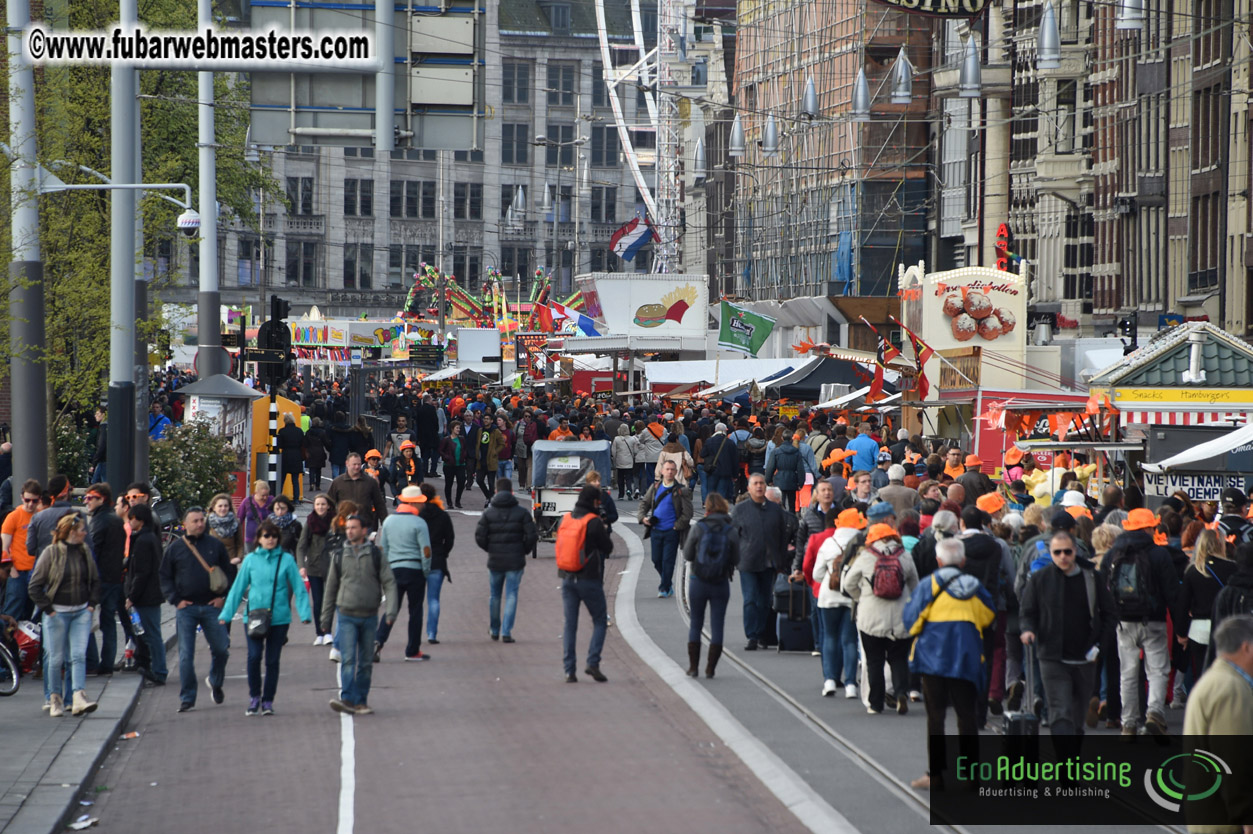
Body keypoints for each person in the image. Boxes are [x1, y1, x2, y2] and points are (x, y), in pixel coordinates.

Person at [903, 537, 996, 790]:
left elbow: (911, 621)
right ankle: (970, 776)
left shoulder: (928, 585)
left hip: (934, 659)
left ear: (938, 560)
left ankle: (935, 775)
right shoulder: (975, 586)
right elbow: (988, 617)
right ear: (963, 561)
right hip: (966, 659)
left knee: (935, 717)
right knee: (967, 717)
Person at [1019, 530, 1116, 746]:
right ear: (1051, 554)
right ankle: (1066, 766)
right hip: (1052, 657)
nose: (1063, 556)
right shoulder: (1040, 579)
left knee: (1077, 716)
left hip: (1086, 656)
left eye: (1067, 552)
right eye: (1057, 552)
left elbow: (1109, 613)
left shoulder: (1092, 577)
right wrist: (1028, 630)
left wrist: (1101, 643)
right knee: (1060, 711)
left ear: (1075, 552)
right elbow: (1027, 611)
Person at [1100, 507, 1181, 735]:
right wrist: (1180, 627)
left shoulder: (1113, 553)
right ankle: (1154, 711)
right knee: (1157, 670)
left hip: (1123, 622)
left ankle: (1129, 723)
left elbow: (1104, 589)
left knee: (1127, 672)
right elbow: (1172, 593)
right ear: (1147, 528)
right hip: (1153, 620)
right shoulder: (1159, 554)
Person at [219, 520, 311, 716]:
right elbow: (237, 589)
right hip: (253, 616)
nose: (270, 539)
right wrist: (226, 614)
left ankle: (268, 700)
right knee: (253, 657)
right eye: (266, 536)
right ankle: (254, 697)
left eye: (274, 536)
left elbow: (299, 586)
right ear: (259, 539)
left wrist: (304, 613)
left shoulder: (286, 560)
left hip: (279, 617)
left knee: (272, 660)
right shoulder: (251, 560)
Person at [1182, 615, 1253, 833]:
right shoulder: (1230, 689)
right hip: (1224, 822)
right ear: (1247, 648)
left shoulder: (1213, 680)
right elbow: (1233, 763)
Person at [324, 514, 398, 715]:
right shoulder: (339, 556)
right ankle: (347, 699)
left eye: (354, 527)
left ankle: (361, 701)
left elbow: (389, 583)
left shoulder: (375, 555)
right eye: (347, 527)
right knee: (348, 659)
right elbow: (331, 588)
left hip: (369, 616)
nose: (349, 531)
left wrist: (391, 611)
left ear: (364, 530)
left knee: (365, 661)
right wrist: (326, 619)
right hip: (346, 614)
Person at [842, 523, 920, 715]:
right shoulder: (904, 556)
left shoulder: (866, 556)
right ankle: (901, 692)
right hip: (900, 617)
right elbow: (915, 585)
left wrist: (862, 598)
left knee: (874, 660)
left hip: (871, 617)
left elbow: (848, 583)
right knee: (898, 658)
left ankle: (875, 703)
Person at [159, 507, 232, 713]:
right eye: (195, 521)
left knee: (221, 649)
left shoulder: (215, 546)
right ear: (185, 524)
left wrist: (222, 597)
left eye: (202, 520)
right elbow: (164, 575)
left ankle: (216, 681)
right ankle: (187, 697)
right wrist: (175, 599)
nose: (200, 524)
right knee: (185, 655)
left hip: (211, 607)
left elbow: (228, 572)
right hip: (187, 608)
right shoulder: (176, 549)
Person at [28, 514, 100, 717]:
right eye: (82, 530)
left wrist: (91, 605)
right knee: (55, 658)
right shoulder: (51, 553)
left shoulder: (85, 551)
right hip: (57, 613)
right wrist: (48, 609)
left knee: (77, 656)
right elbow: (34, 586)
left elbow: (95, 580)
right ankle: (55, 698)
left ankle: (78, 696)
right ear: (71, 532)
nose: (85, 533)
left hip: (81, 611)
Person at [557, 485, 615, 683]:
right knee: (599, 621)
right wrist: (604, 527)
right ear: (595, 502)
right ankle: (593, 662)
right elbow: (608, 547)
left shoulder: (566, 519)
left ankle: (569, 670)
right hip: (588, 578)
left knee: (570, 625)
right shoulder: (594, 522)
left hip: (566, 577)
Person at [373, 485, 433, 663]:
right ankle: (412, 650)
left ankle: (379, 640)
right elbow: (426, 551)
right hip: (415, 570)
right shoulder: (419, 523)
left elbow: (383, 548)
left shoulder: (389, 522)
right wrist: (426, 570)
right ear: (414, 503)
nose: (423, 506)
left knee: (392, 609)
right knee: (415, 611)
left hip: (393, 570)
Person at [731, 473, 790, 650]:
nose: (759, 486)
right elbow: (733, 537)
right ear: (749, 488)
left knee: (764, 601)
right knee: (750, 599)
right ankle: (752, 636)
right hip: (747, 562)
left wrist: (781, 562)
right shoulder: (740, 510)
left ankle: (762, 633)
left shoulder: (775, 510)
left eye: (761, 483)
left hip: (769, 561)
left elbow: (782, 536)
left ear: (765, 487)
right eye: (755, 483)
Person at [475, 479, 538, 642]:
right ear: (511, 492)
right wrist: (524, 550)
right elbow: (532, 535)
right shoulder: (522, 513)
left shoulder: (489, 513)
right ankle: (506, 631)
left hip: (495, 559)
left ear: (496, 492)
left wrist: (490, 548)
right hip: (515, 559)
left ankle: (494, 628)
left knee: (494, 595)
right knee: (511, 595)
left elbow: (480, 536)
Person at [683, 493, 738, 679]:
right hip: (720, 582)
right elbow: (736, 558)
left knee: (696, 623)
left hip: (698, 581)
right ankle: (710, 668)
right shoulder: (730, 530)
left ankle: (693, 667)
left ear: (706, 508)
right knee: (717, 625)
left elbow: (688, 555)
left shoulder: (699, 527)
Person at [810, 508, 864, 698]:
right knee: (849, 640)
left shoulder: (828, 543)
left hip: (829, 595)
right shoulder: (862, 542)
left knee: (830, 637)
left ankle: (830, 680)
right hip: (852, 596)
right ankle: (850, 684)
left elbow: (816, 574)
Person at [1177, 528, 1238, 692]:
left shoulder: (1192, 570)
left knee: (1202, 675)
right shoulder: (1232, 568)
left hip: (1199, 629)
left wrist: (1181, 633)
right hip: (1225, 627)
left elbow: (1183, 605)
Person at [85, 483, 127, 676]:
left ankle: (92, 661)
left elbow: (93, 551)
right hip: (114, 577)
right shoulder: (117, 521)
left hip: (99, 578)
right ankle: (107, 662)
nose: (86, 501)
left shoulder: (99, 521)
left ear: (101, 499)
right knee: (108, 621)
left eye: (90, 497)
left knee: (87, 619)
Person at [124, 503, 167, 687]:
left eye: (131, 518)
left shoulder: (142, 541)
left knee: (151, 634)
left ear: (138, 520)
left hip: (146, 596)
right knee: (153, 633)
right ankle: (158, 669)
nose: (129, 522)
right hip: (153, 593)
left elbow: (141, 572)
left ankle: (159, 671)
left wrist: (132, 596)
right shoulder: (152, 538)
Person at [638, 460, 693, 599]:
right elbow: (644, 503)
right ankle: (667, 582)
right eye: (667, 469)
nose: (669, 472)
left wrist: (677, 526)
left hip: (671, 532)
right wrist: (643, 517)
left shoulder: (681, 490)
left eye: (672, 469)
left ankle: (664, 587)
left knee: (668, 560)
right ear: (662, 471)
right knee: (656, 559)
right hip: (656, 530)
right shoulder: (655, 487)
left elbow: (688, 513)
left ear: (675, 472)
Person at [298, 493, 337, 646]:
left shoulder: (335, 521)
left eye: (323, 504)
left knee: (329, 601)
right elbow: (301, 546)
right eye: (317, 504)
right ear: (314, 506)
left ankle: (327, 632)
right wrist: (301, 566)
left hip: (332, 566)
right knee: (318, 601)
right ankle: (319, 633)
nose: (320, 507)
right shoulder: (310, 522)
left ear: (328, 506)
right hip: (314, 567)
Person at [418, 483, 454, 645]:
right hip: (437, 559)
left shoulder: (417, 515)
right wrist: (443, 552)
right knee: (434, 599)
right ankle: (432, 633)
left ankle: (415, 632)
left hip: (418, 560)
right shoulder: (442, 515)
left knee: (417, 600)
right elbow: (450, 539)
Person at [1, 479, 41, 621]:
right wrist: (12, 571)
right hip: (18, 571)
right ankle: (6, 641)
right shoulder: (13, 516)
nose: (30, 504)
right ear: (21, 498)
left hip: (35, 572)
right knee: (13, 611)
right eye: (27, 500)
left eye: (34, 501)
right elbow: (4, 546)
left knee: (28, 613)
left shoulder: (40, 515)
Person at [328, 453, 389, 531]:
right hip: (344, 526)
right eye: (354, 464)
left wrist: (385, 523)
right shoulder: (338, 482)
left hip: (365, 526)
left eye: (359, 464)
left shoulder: (370, 482)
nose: (357, 467)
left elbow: (379, 504)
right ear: (347, 464)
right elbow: (329, 503)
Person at [764, 432, 805, 512]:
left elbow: (770, 467)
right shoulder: (797, 452)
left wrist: (768, 480)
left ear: (782, 438)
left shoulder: (776, 452)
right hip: (792, 479)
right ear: (791, 439)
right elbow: (800, 469)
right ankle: (792, 521)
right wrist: (801, 482)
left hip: (779, 479)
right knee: (792, 504)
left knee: (779, 503)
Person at [703, 423, 738, 502]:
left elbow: (703, 454)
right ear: (725, 431)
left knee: (710, 491)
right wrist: (735, 474)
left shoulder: (709, 441)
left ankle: (710, 508)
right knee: (721, 492)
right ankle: (719, 509)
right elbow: (735, 459)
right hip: (725, 471)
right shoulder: (730, 442)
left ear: (715, 430)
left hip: (712, 470)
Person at [439, 424, 470, 509]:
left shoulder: (462, 439)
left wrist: (464, 456)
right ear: (452, 429)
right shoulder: (446, 440)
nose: (458, 429)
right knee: (449, 484)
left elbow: (464, 449)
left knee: (461, 482)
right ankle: (449, 502)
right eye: (457, 428)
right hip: (449, 465)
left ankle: (457, 501)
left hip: (460, 464)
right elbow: (440, 450)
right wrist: (446, 457)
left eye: (459, 428)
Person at [237, 480, 274, 551]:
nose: (265, 498)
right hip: (251, 539)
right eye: (263, 495)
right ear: (256, 493)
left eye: (267, 495)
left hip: (268, 538)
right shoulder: (247, 502)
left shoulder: (272, 501)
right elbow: (239, 519)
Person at [276, 412, 305, 502]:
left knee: (282, 479)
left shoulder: (282, 431)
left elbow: (279, 445)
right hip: (296, 455)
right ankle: (296, 498)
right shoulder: (299, 431)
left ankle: (279, 497)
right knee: (295, 480)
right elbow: (302, 443)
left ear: (285, 421)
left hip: (285, 455)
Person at [612, 424, 637, 500]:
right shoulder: (632, 439)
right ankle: (629, 489)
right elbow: (635, 451)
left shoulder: (616, 439)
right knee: (628, 477)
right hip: (629, 460)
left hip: (620, 460)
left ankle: (621, 494)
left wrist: (614, 459)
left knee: (620, 478)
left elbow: (613, 451)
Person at [304, 417, 330, 491]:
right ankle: (318, 485)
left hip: (311, 451)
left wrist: (306, 451)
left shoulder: (308, 432)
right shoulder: (322, 432)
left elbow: (305, 443)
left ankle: (311, 483)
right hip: (319, 451)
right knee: (318, 469)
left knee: (311, 469)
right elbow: (326, 443)